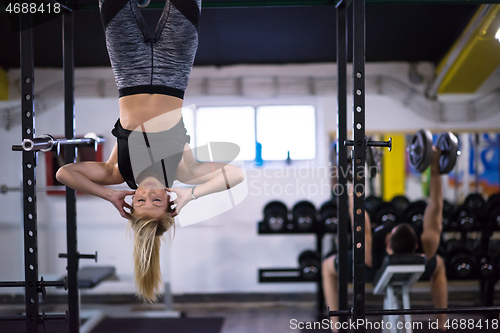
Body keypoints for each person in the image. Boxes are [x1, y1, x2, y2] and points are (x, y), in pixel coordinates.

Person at [56, 0, 244, 302]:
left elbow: (64, 172)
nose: (147, 193)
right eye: (156, 200)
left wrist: (110, 195)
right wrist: (191, 195)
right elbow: (235, 174)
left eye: (139, 200)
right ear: (169, 202)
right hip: (174, 68)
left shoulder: (119, 172)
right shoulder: (182, 170)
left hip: (128, 69)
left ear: (131, 200)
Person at [322, 147, 448, 331]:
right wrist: (435, 169)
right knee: (439, 264)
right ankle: (442, 325)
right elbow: (436, 205)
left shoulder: (370, 252)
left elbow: (355, 209)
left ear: (389, 245)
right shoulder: (425, 248)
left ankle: (335, 328)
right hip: (415, 268)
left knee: (327, 267)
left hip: (370, 269)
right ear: (415, 244)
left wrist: (355, 170)